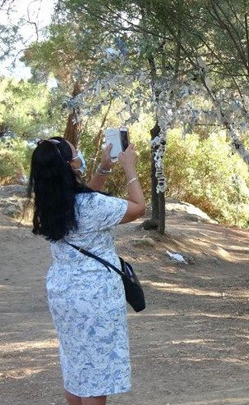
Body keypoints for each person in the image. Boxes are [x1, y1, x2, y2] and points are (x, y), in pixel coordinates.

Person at [28, 136, 145, 405]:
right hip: (95, 296)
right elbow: (138, 208)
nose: (79, 154)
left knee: (76, 364)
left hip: (64, 293)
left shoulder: (50, 203)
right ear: (70, 165)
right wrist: (129, 167)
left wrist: (104, 169)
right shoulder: (91, 207)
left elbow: (83, 198)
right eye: (75, 153)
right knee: (96, 373)